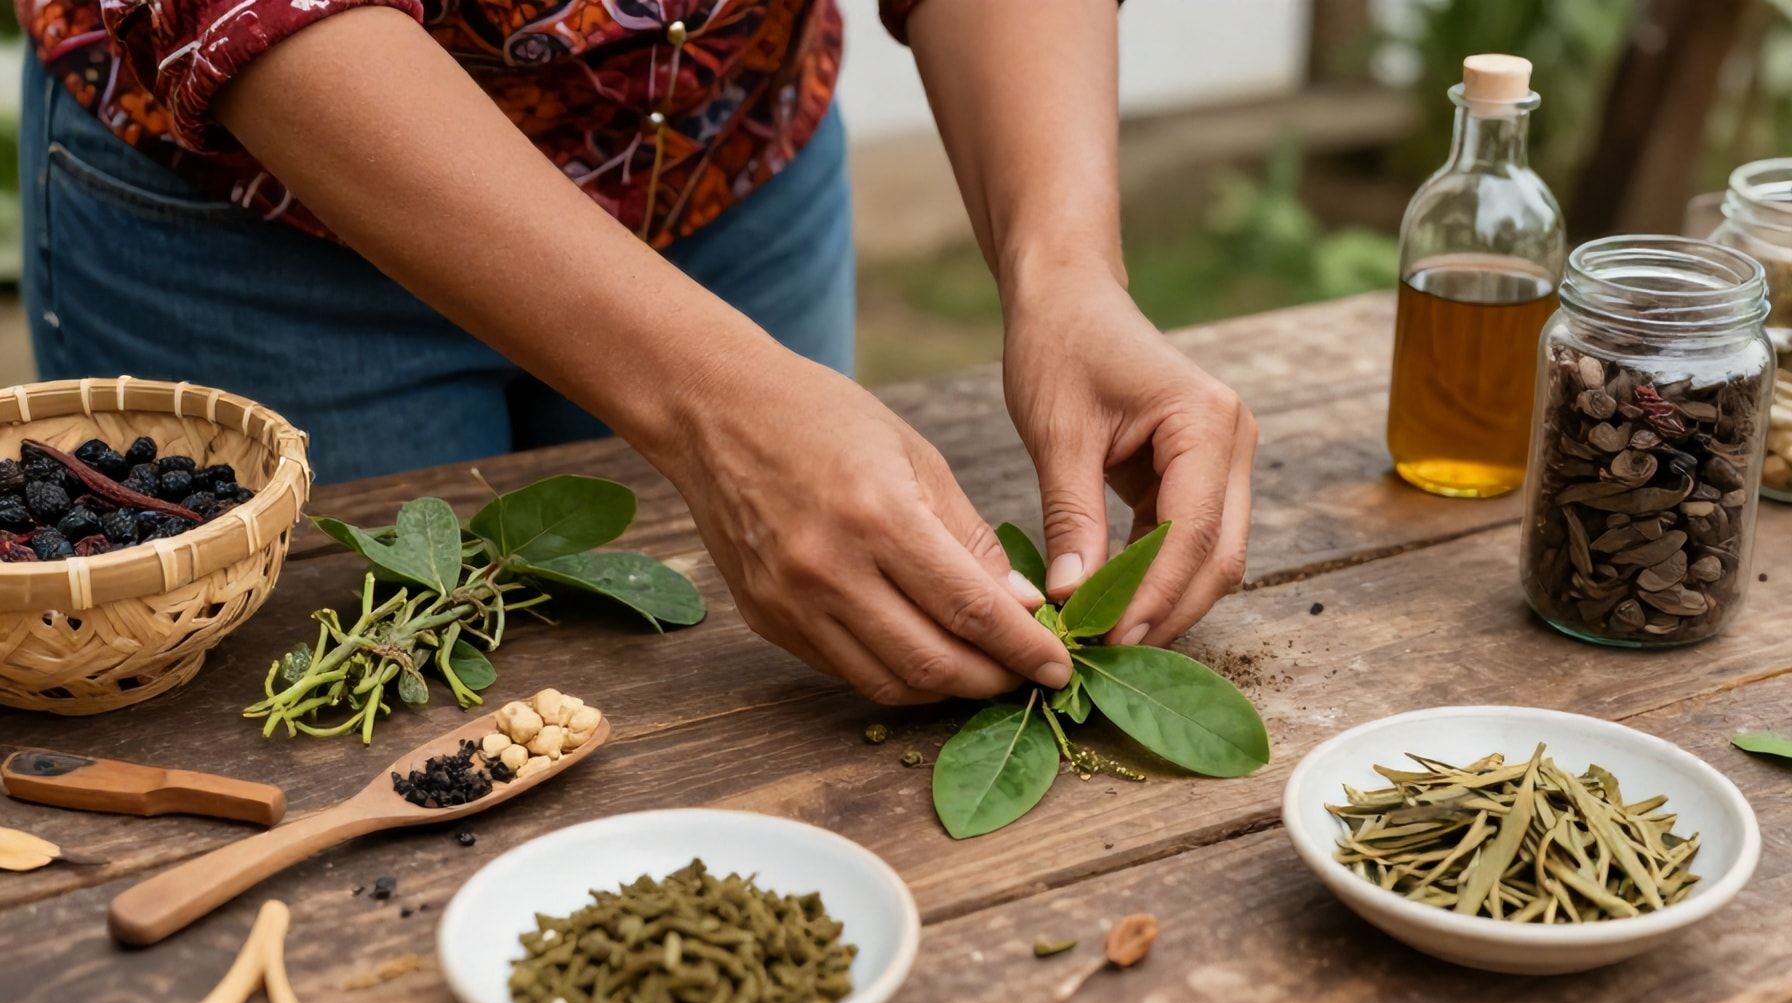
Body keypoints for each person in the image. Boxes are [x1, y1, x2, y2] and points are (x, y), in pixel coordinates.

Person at [16, 0, 1257, 706]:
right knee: (361, 720)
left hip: (729, 166)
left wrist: (1063, 268)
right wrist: (723, 406)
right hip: (270, 219)